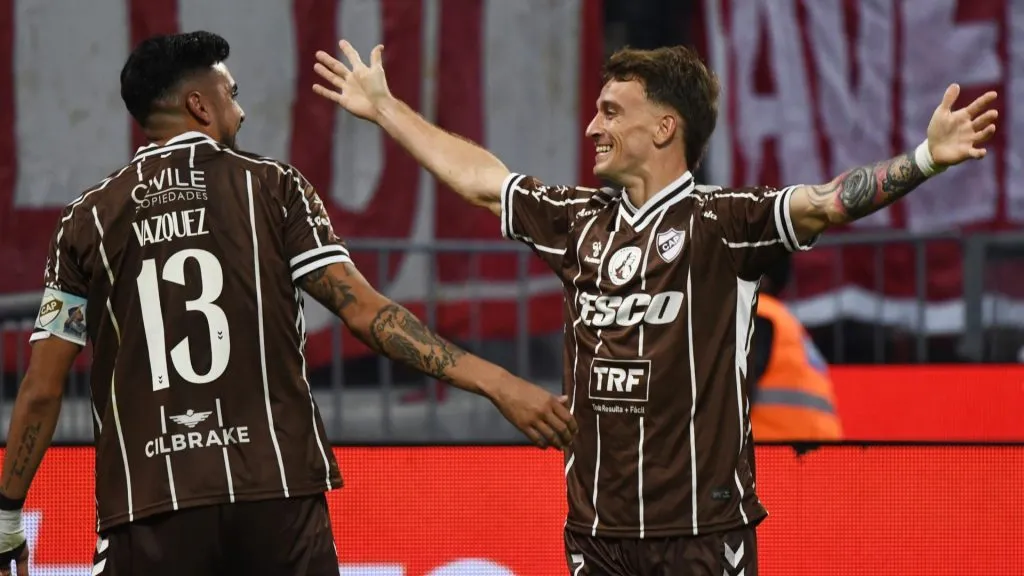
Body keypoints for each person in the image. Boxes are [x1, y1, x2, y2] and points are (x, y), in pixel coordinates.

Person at [311, 39, 997, 574]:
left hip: (700, 536)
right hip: (597, 535)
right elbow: (487, 185)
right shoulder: (577, 220)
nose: (590, 128)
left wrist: (924, 159)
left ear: (666, 127)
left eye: (611, 112)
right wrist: (386, 109)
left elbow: (825, 201)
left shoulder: (725, 222)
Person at [0, 31, 576, 576]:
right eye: (232, 93)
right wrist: (500, 382)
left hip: (151, 502)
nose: (240, 111)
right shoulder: (275, 188)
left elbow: (43, 388)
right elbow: (368, 313)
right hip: (275, 496)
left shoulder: (86, 221)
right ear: (200, 106)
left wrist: (7, 513)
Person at [748, 258, 842, 441]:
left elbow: (736, 393)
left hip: (778, 452)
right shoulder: (783, 320)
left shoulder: (759, 315)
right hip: (815, 452)